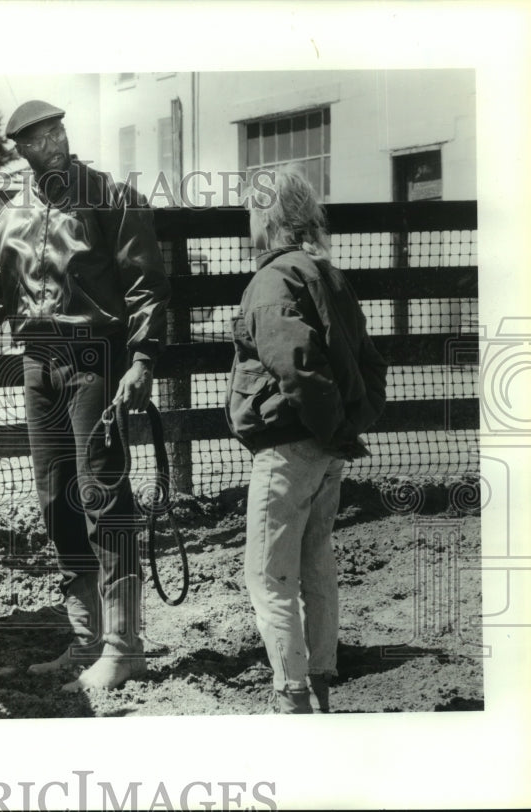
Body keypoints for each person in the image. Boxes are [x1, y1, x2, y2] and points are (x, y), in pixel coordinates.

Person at [0, 100, 170, 691]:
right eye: (42, 138)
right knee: (55, 502)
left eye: (60, 131)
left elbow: (145, 283)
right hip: (38, 365)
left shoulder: (109, 198)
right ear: (21, 150)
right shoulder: (10, 217)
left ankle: (124, 646)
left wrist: (142, 359)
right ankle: (86, 638)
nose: (57, 143)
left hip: (96, 360)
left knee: (103, 498)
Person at [226, 165, 387, 713]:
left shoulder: (271, 280)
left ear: (266, 215)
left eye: (252, 209)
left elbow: (297, 367)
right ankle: (319, 684)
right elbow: (370, 362)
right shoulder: (328, 273)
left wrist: (330, 426)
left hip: (288, 448)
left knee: (268, 576)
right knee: (317, 565)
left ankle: (292, 695)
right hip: (327, 451)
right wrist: (348, 427)